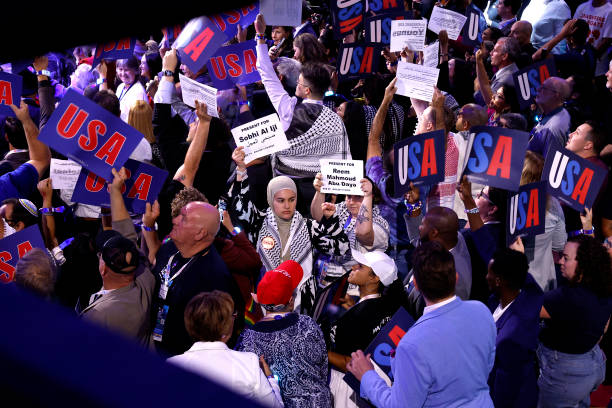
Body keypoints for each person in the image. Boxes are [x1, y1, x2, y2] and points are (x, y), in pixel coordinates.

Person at [346, 242, 496, 407]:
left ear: (415, 284)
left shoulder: (411, 344)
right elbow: (487, 367)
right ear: (456, 277)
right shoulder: (482, 312)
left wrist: (367, 375)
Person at [229, 149, 349, 313]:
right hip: (266, 303)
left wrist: (331, 220)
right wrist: (241, 169)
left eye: (291, 200)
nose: (287, 205)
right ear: (271, 199)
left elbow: (341, 248)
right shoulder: (258, 221)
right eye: (281, 200)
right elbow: (241, 209)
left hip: (302, 304)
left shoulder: (308, 226)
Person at [254, 13, 351, 208]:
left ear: (306, 90)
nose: (296, 85)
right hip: (317, 197)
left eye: (298, 83)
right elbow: (343, 165)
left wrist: (260, 36)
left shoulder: (288, 108)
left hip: (285, 193)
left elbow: (265, 71)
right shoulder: (335, 119)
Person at [151, 200, 243, 356]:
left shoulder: (216, 278)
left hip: (184, 360)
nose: (175, 220)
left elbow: (222, 334)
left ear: (200, 233)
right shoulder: (170, 248)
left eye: (184, 218)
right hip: (154, 346)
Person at [236, 261, 333, 408]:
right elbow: (323, 370)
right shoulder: (308, 324)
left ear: (259, 300)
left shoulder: (247, 339)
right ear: (291, 301)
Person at [78, 168, 155, 347]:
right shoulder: (145, 282)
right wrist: (115, 191)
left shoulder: (98, 316)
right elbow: (127, 236)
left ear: (103, 269)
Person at [167, 291, 283, 407]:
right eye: (233, 315)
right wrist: (270, 379)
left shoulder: (171, 366)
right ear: (227, 325)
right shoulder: (249, 362)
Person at [537, 235, 612, 407]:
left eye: (566, 258)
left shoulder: (567, 298)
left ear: (584, 265)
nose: (561, 261)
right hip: (594, 363)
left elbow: (522, 304)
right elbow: (604, 329)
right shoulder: (605, 285)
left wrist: (518, 261)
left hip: (566, 375)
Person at [327, 250, 402, 408]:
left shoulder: (356, 317)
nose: (353, 267)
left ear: (375, 278)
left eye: (360, 266)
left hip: (349, 390)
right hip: (374, 385)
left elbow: (350, 362)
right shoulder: (388, 306)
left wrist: (319, 351)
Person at [486, 248, 543, 408]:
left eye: (489, 273)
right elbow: (529, 282)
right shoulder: (530, 297)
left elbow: (505, 389)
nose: (486, 277)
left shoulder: (510, 337)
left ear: (498, 281)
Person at [310, 175, 389, 285]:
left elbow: (363, 233)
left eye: (358, 197)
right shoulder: (343, 209)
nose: (351, 202)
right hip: (324, 282)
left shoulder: (379, 223)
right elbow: (318, 216)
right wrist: (320, 192)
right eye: (349, 196)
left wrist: (367, 195)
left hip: (353, 288)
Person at [0, 102, 50, 202]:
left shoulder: (4, 168)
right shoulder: (5, 183)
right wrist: (26, 120)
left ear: (6, 136)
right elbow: (40, 160)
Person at [527, 77, 571, 156]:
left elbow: (546, 163)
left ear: (556, 95)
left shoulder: (553, 128)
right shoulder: (551, 113)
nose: (538, 89)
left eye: (544, 88)